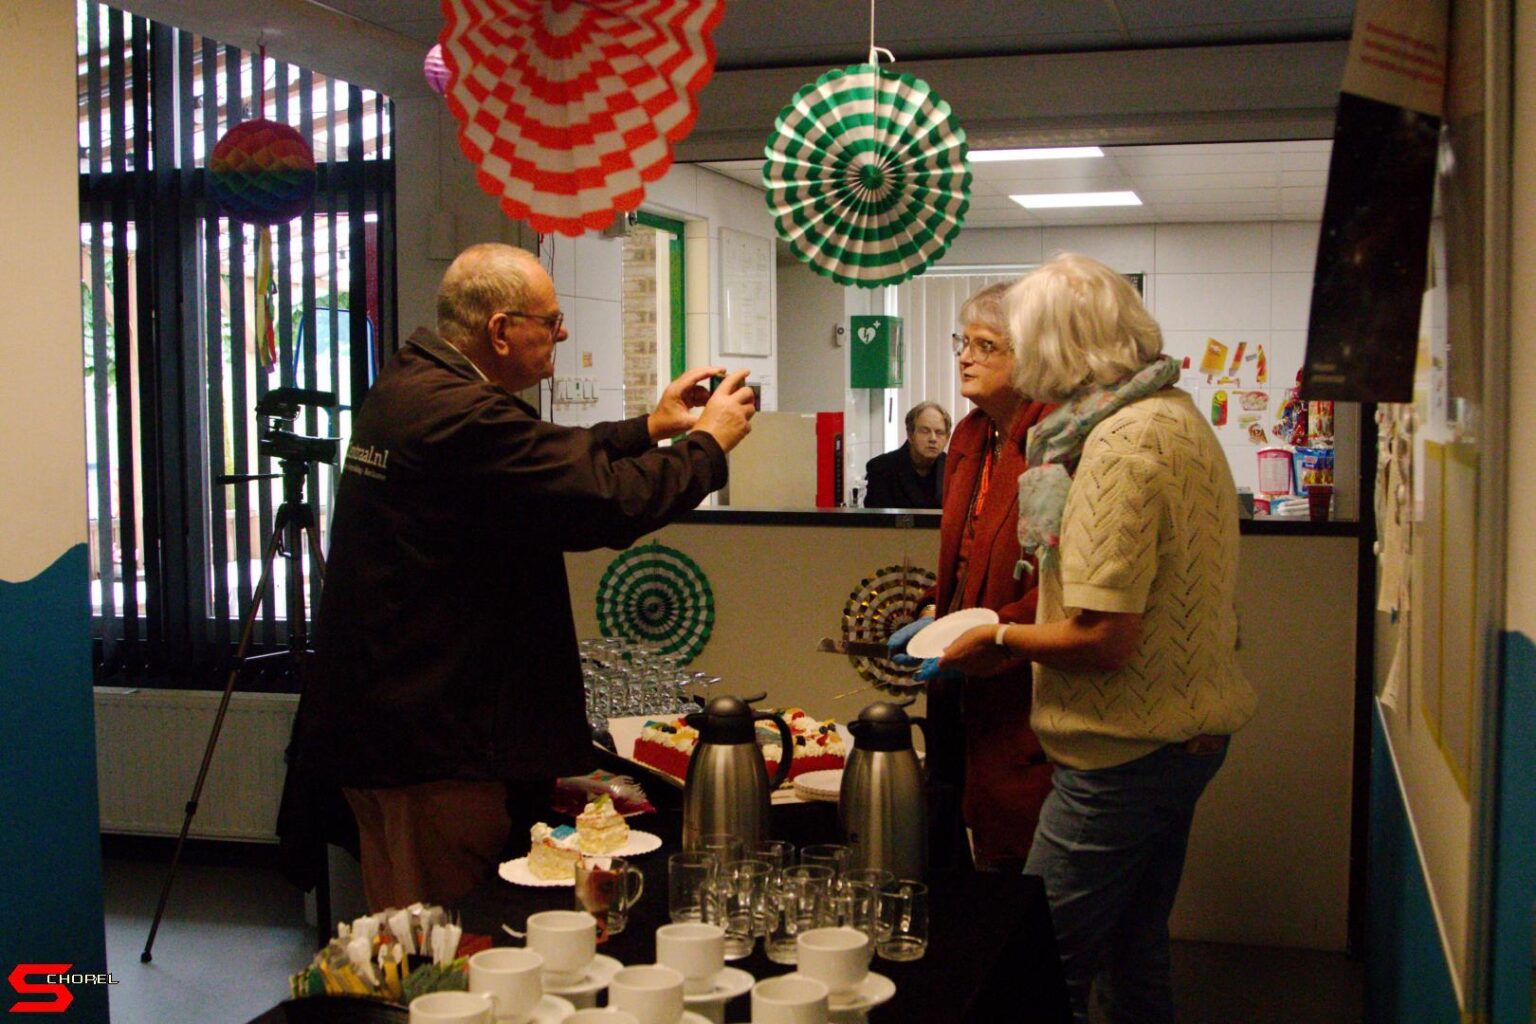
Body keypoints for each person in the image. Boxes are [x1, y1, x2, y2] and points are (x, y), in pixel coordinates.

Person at [294, 243, 756, 911]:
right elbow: (604, 500)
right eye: (552, 318)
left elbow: (547, 460)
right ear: (501, 330)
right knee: (447, 945)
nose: (563, 332)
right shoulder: (461, 416)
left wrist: (647, 427)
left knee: (406, 932)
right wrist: (706, 446)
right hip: (437, 750)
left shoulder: (408, 387)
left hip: (389, 733)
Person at [940, 253, 1257, 1024]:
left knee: (1040, 975)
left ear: (1054, 345)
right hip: (1189, 736)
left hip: (1120, 749)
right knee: (1133, 952)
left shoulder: (1115, 447)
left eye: (1013, 340)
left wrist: (1000, 642)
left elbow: (1106, 637)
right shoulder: (1177, 417)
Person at [884, 284, 1055, 872]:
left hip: (1025, 681)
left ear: (1032, 356)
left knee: (1018, 851)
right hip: (961, 680)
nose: (965, 357)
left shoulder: (1056, 440)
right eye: (964, 342)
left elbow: (1064, 584)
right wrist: (937, 611)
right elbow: (963, 559)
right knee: (951, 827)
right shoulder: (970, 434)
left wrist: (991, 632)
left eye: (986, 345)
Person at [862, 401, 950, 508]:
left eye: (939, 432)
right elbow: (876, 521)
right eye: (925, 431)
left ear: (947, 438)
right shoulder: (881, 469)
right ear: (910, 435)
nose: (933, 439)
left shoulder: (954, 469)